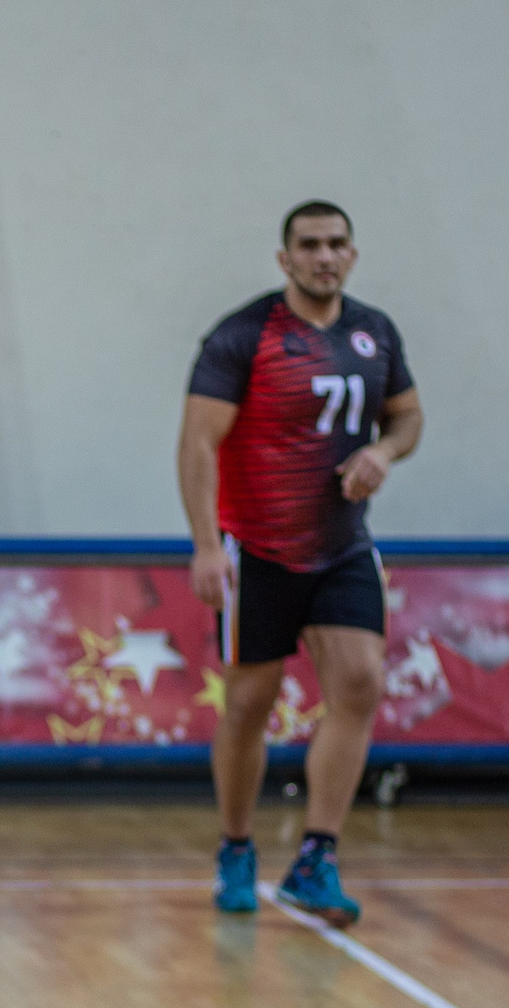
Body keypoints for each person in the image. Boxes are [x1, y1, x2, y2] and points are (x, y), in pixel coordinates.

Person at [178, 200, 423, 926]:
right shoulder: (244, 336)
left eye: (337, 244)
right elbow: (197, 444)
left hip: (342, 546)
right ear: (285, 259)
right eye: (309, 246)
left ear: (353, 254)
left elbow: (407, 416)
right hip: (257, 549)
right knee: (250, 704)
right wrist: (202, 544)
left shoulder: (375, 333)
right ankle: (236, 845)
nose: (325, 256)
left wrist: (383, 451)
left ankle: (317, 856)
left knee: (360, 682)